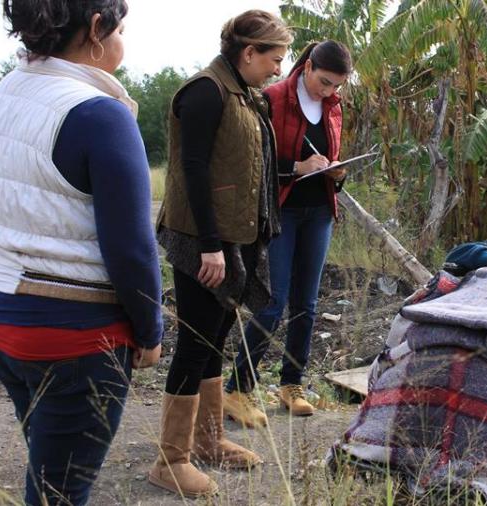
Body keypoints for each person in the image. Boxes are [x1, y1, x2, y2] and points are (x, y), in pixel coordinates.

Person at [0, 1, 162, 504]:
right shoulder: (99, 114)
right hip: (77, 339)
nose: (123, 40)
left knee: (49, 470)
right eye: (121, 28)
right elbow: (130, 248)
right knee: (60, 492)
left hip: (2, 323)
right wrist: (151, 329)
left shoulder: (1, 97)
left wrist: (4, 252)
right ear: (95, 29)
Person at [148, 10, 292, 497]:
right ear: (248, 52)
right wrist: (209, 245)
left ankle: (208, 440)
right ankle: (170, 460)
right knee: (194, 342)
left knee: (215, 338)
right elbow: (190, 168)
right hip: (202, 239)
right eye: (274, 58)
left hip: (235, 237)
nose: (278, 69)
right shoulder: (206, 91)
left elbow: (247, 165)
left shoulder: (245, 95)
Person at [223, 40, 352, 425]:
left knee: (307, 306)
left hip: (319, 212)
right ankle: (237, 389)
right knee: (272, 301)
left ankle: (290, 384)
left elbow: (330, 158)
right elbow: (253, 160)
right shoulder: (273, 98)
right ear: (309, 67)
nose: (328, 92)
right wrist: (296, 167)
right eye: (324, 82)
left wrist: (337, 173)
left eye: (336, 87)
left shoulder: (334, 107)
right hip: (282, 211)